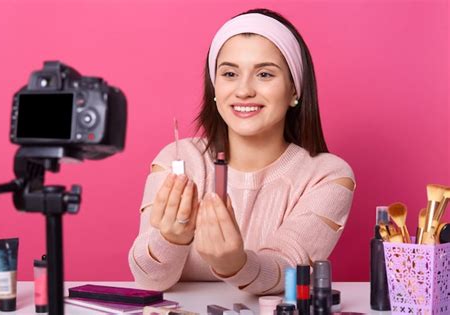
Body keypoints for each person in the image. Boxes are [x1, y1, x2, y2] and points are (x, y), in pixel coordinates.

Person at [128, 8, 355, 295]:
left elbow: (289, 270)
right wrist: (169, 239)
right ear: (214, 87)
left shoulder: (327, 176)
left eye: (264, 74)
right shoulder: (179, 161)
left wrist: (235, 263)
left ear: (295, 90)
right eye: (230, 73)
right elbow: (149, 280)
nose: (244, 90)